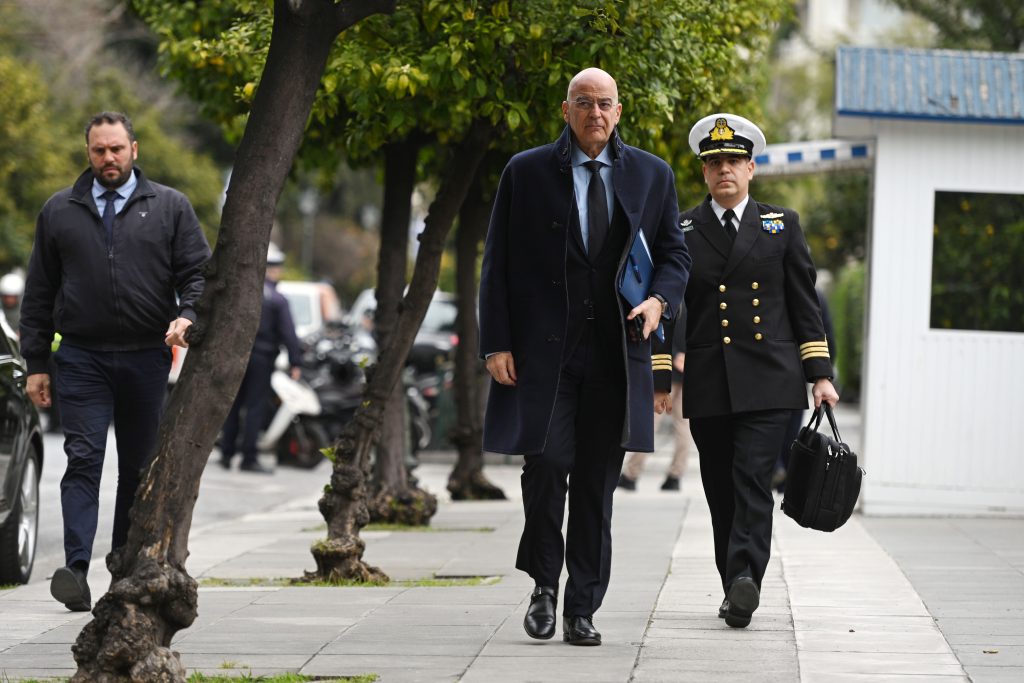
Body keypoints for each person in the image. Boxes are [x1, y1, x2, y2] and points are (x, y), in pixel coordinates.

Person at [479, 67, 690, 646]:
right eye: (584, 102)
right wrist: (496, 341)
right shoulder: (525, 171)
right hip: (545, 356)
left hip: (618, 356)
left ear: (619, 111)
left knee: (597, 484)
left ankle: (582, 607)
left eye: (604, 103)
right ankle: (544, 586)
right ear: (566, 110)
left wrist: (659, 301)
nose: (595, 113)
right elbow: (496, 261)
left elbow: (674, 254)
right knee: (546, 465)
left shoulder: (652, 173)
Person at [19, 111, 211, 612]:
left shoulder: (169, 206)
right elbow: (38, 292)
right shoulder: (59, 210)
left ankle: (123, 567)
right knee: (83, 458)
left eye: (116, 149)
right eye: (99, 150)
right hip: (81, 356)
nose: (108, 158)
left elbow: (198, 273)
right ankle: (75, 569)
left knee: (137, 465)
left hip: (146, 355)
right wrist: (36, 362)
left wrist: (188, 315)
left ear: (134, 150)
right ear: (88, 152)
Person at [680, 113, 839, 629]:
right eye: (714, 163)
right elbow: (669, 303)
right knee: (720, 489)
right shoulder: (683, 229)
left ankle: (747, 574)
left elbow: (804, 304)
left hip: (770, 380)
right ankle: (734, 586)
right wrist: (661, 376)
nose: (724, 170)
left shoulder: (781, 224)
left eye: (733, 161)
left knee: (752, 478)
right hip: (709, 381)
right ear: (705, 172)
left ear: (751, 168)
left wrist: (820, 374)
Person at [218, 243, 302, 474]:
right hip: (262, 359)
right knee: (255, 407)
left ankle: (226, 454)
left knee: (233, 404)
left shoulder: (243, 294)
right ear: (275, 270)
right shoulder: (278, 299)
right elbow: (288, 333)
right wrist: (295, 361)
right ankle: (249, 458)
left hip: (237, 357)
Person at [618, 305, 691, 492]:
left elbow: (662, 327)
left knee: (651, 421)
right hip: (687, 369)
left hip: (665, 368)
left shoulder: (673, 299)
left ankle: (632, 473)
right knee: (683, 426)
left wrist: (675, 355)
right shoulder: (691, 299)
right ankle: (675, 475)